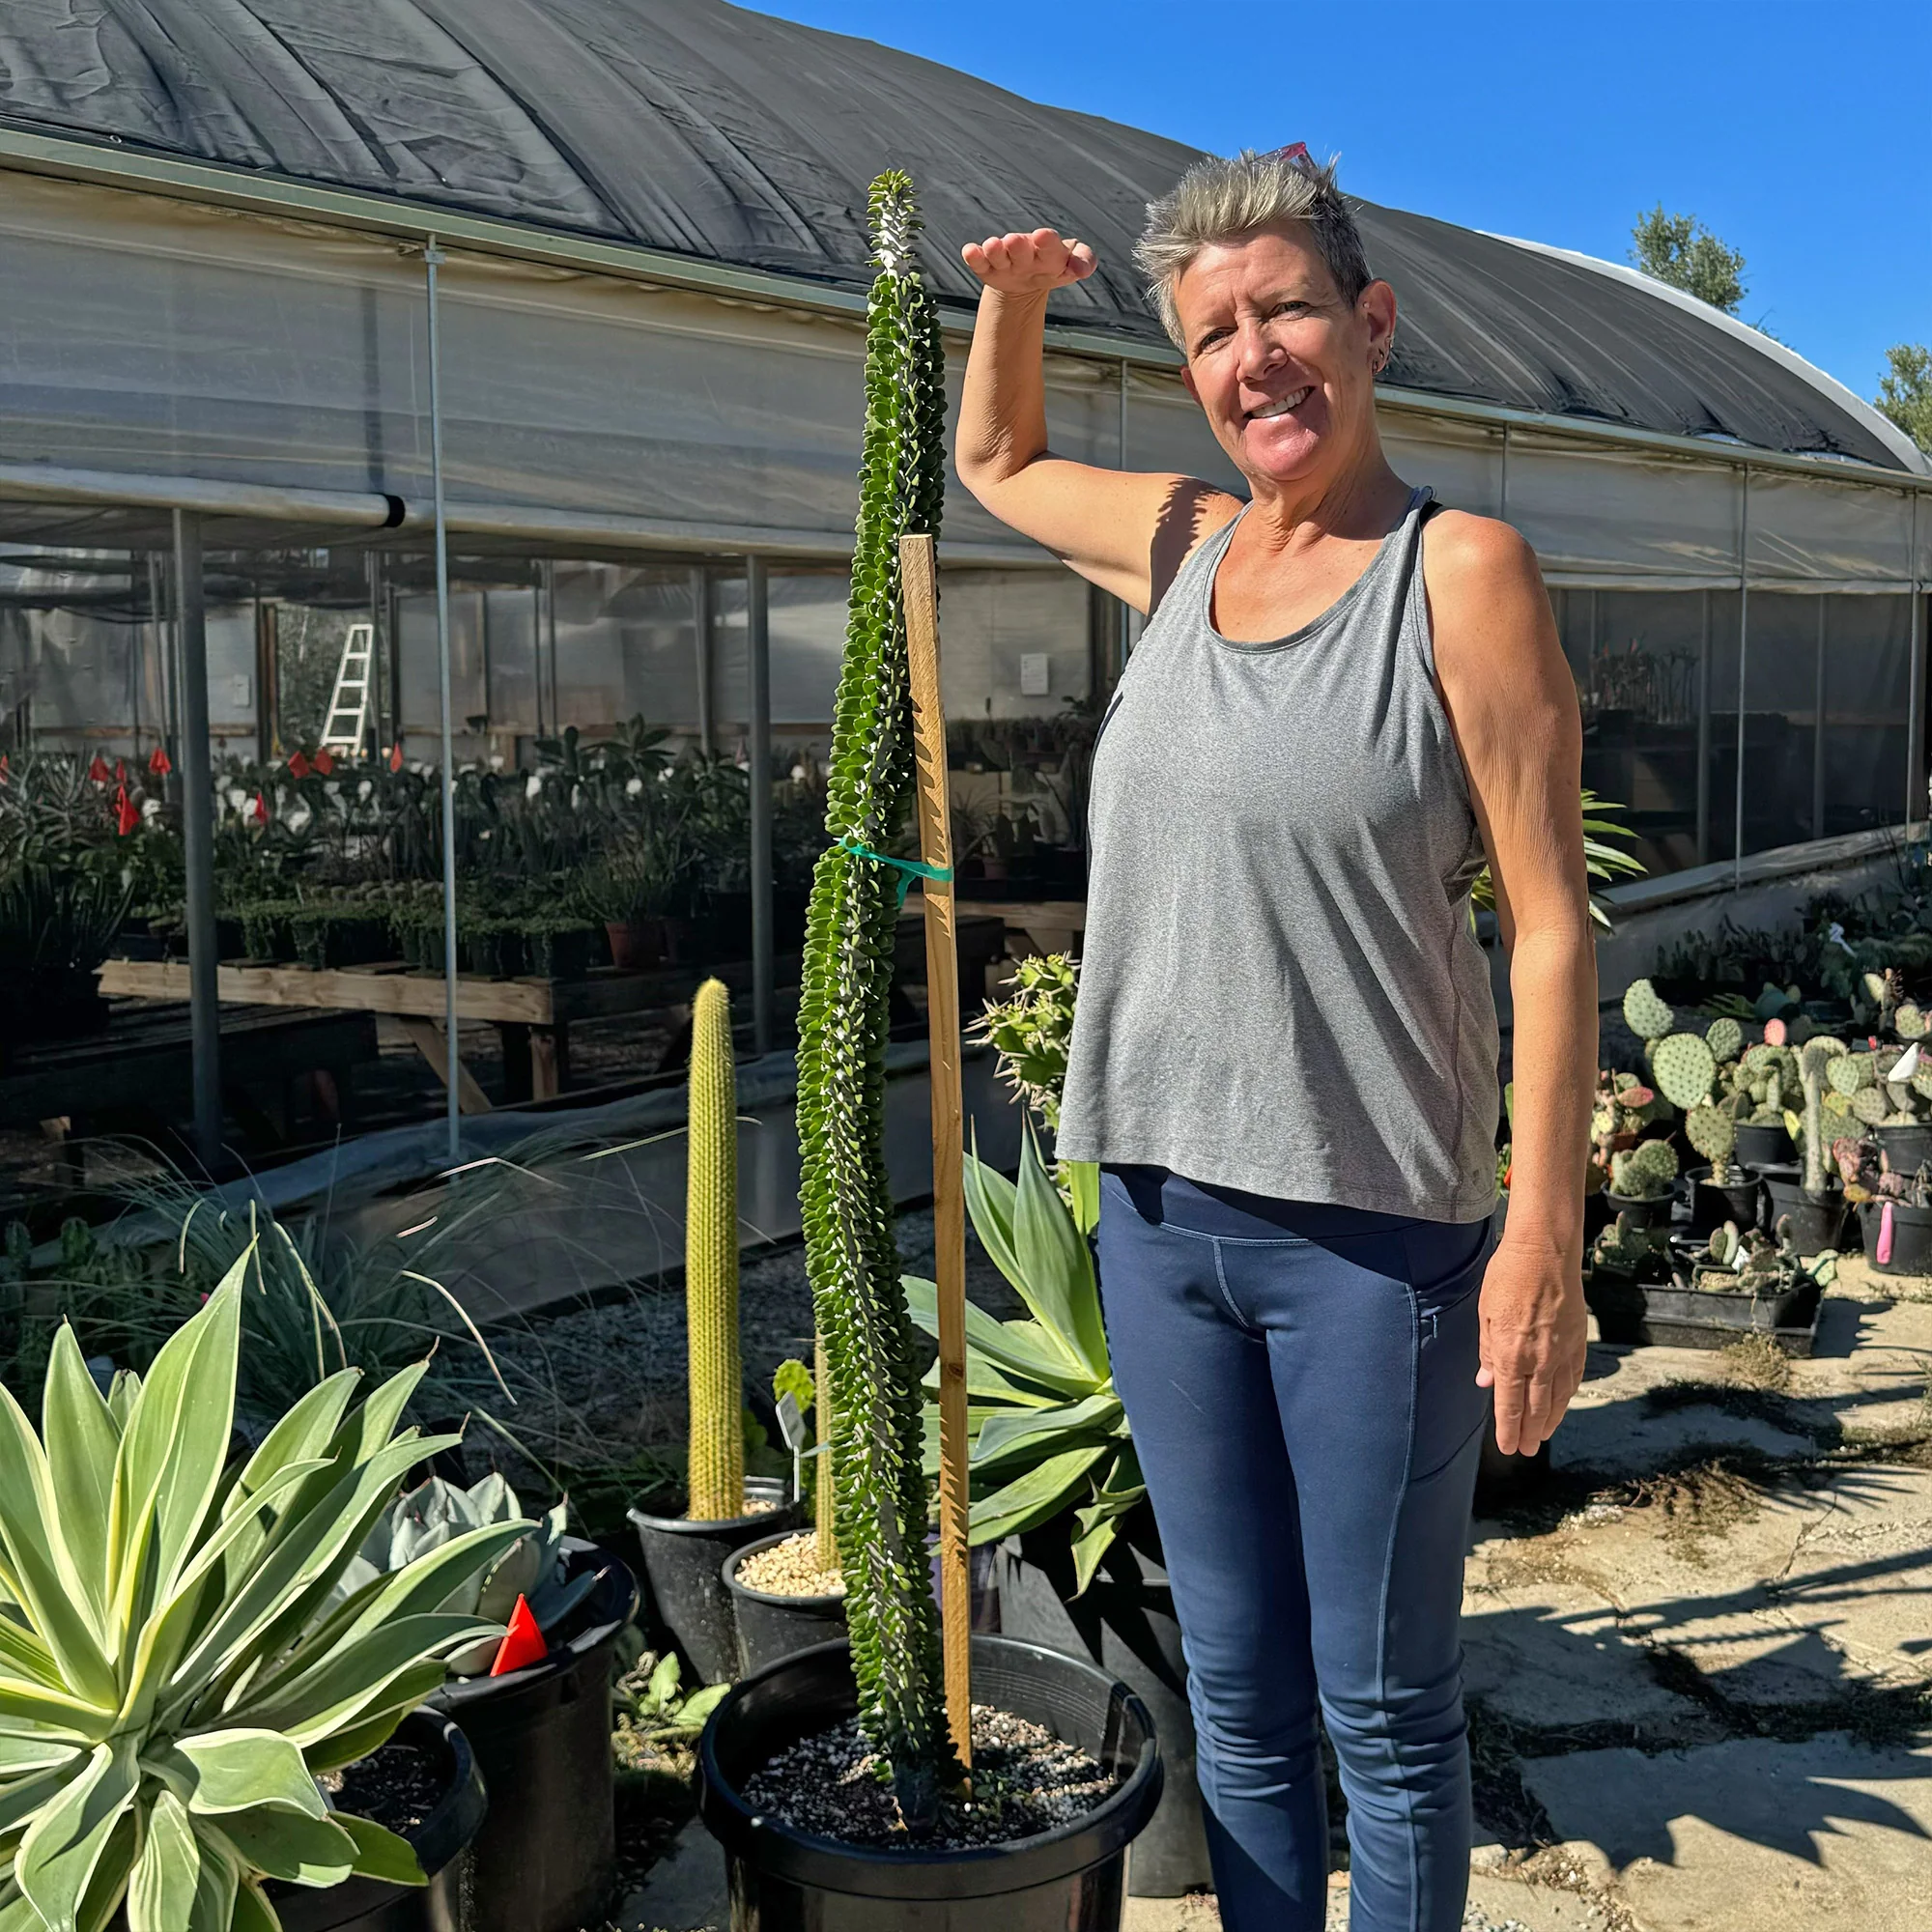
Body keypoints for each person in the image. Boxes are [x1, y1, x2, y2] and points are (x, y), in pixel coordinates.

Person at [955, 150, 1594, 1932]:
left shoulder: (1458, 575)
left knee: (1382, 1716)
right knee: (1232, 1698)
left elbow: (1550, 920)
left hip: (1373, 1245)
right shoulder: (1181, 544)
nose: (1257, 358)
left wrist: (1543, 1235)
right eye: (1215, 333)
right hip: (1158, 1222)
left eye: (1289, 309)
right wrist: (1012, 305)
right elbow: (996, 463)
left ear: (1370, 324)